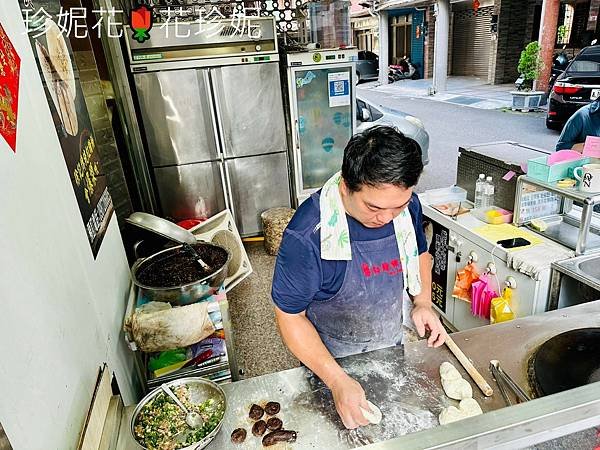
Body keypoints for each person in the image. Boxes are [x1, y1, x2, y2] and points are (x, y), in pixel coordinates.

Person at [271, 126, 446, 429]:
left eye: (399, 206)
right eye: (374, 207)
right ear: (345, 188)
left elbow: (419, 252)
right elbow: (289, 316)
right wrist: (338, 381)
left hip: (390, 347)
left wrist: (422, 303)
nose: (387, 218)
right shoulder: (309, 235)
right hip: (328, 362)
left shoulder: (407, 208)